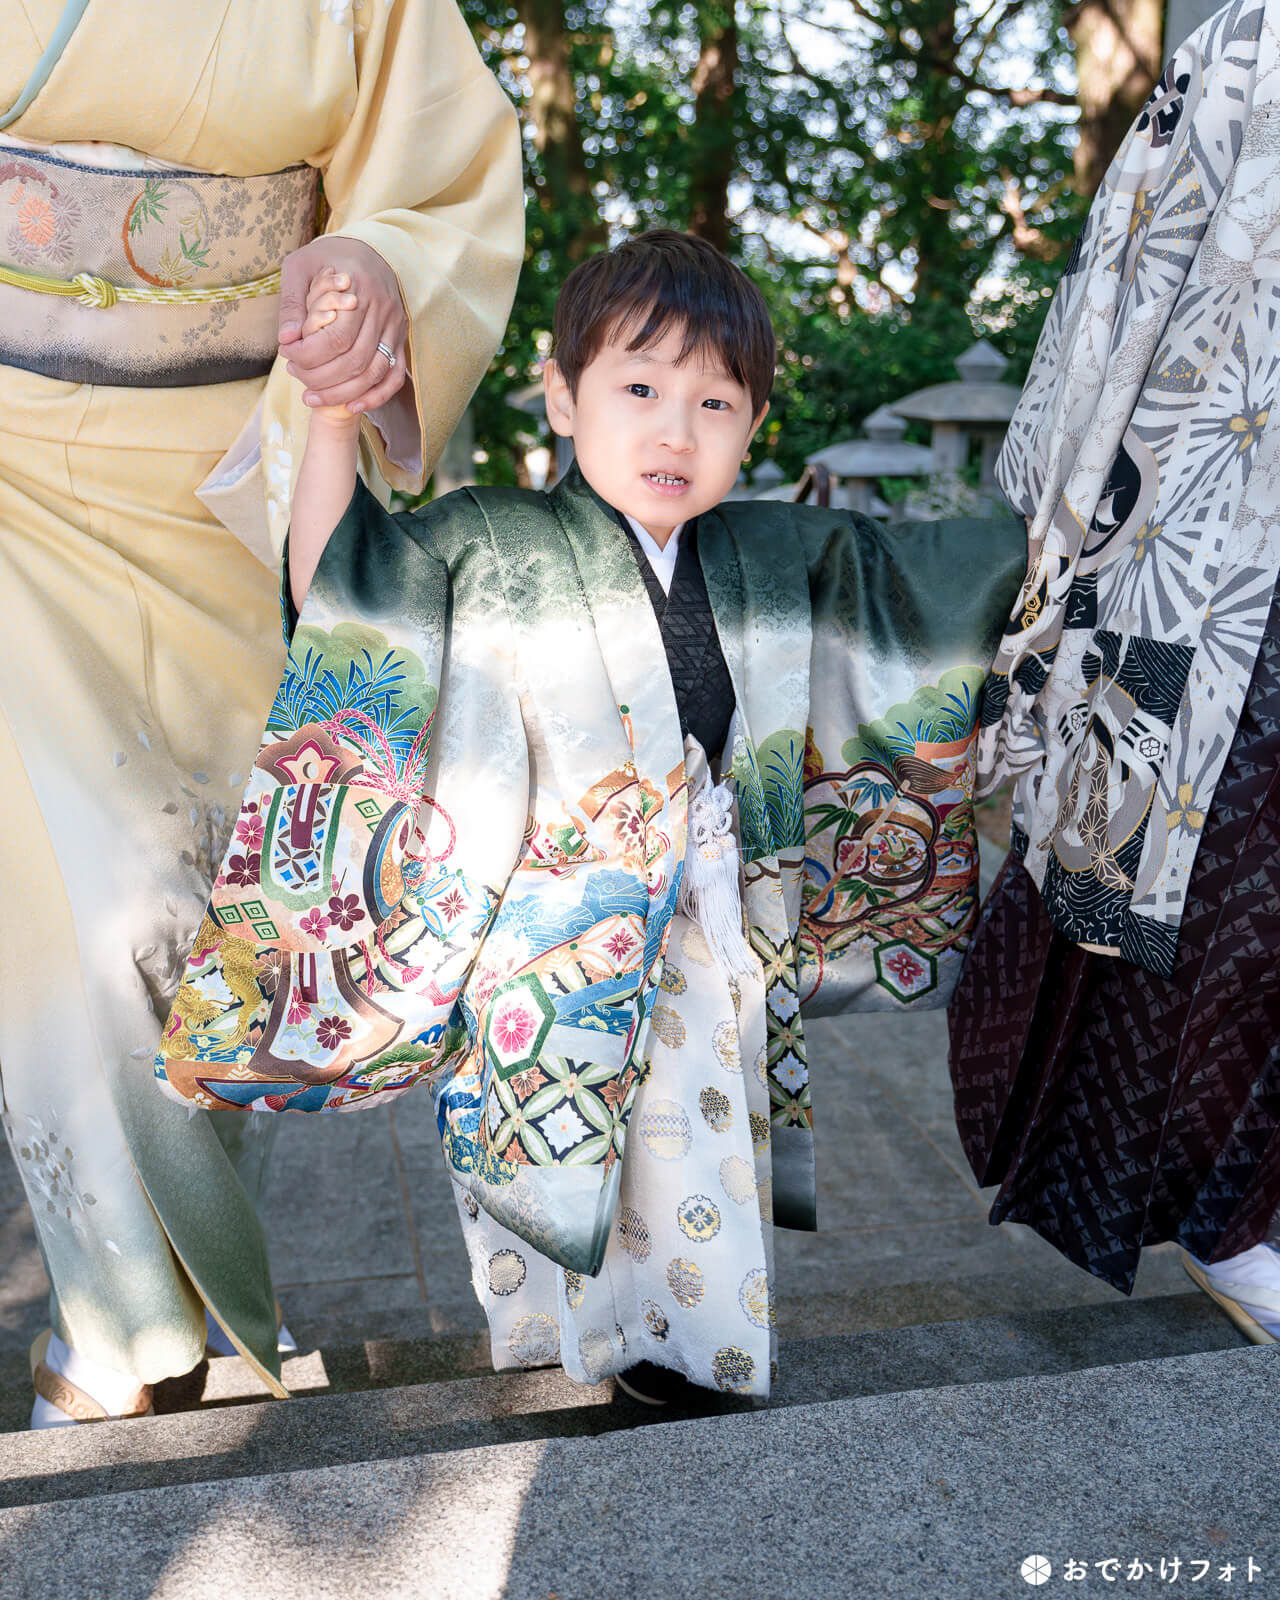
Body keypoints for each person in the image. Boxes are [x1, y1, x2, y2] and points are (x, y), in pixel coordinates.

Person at [156, 230, 1026, 1402]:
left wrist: (1020, 618)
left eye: (716, 401)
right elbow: (342, 591)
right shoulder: (489, 540)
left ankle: (684, 1357)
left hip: (708, 910)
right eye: (637, 388)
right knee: (547, 1163)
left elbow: (938, 594)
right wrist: (327, 424)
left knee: (691, 1145)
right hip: (537, 938)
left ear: (753, 428)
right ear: (562, 399)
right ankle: (584, 1347)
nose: (674, 429)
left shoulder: (780, 548)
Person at [0, 0, 523, 1428]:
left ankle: (163, 1308)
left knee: (200, 899)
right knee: (77, 875)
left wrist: (373, 265)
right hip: (9, 469)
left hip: (222, 474)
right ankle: (116, 1332)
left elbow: (444, 180)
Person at [948, 0, 1280, 1342]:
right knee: (1171, 880)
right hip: (1207, 506)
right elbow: (1119, 289)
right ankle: (1239, 1217)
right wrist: (1055, 534)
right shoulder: (1254, 46)